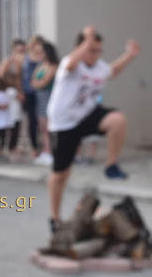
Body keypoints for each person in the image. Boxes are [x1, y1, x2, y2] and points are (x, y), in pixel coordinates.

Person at [47, 26, 140, 231]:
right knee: (61, 173)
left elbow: (113, 71)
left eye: (99, 51)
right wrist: (86, 40)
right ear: (81, 48)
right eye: (91, 50)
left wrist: (129, 55)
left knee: (117, 120)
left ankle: (111, 165)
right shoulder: (69, 64)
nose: (96, 55)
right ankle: (54, 217)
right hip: (64, 122)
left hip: (87, 115)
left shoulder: (99, 67)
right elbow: (72, 62)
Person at [31, 38, 60, 166]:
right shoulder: (41, 66)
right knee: (42, 126)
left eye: (41, 52)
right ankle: (46, 150)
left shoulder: (54, 66)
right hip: (40, 97)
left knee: (50, 126)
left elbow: (44, 82)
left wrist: (38, 83)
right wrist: (37, 83)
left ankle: (53, 151)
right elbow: (34, 81)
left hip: (49, 97)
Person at [0, 39, 27, 160]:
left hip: (15, 94)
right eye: (18, 50)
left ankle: (12, 147)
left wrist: (20, 92)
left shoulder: (22, 62)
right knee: (7, 122)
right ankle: (3, 148)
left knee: (16, 121)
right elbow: (0, 75)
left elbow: (18, 80)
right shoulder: (8, 61)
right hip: (7, 93)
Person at [21, 36, 42, 158]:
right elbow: (22, 75)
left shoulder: (43, 58)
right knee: (32, 121)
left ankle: (44, 146)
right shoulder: (26, 58)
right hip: (29, 92)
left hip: (41, 92)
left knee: (43, 120)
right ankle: (34, 147)